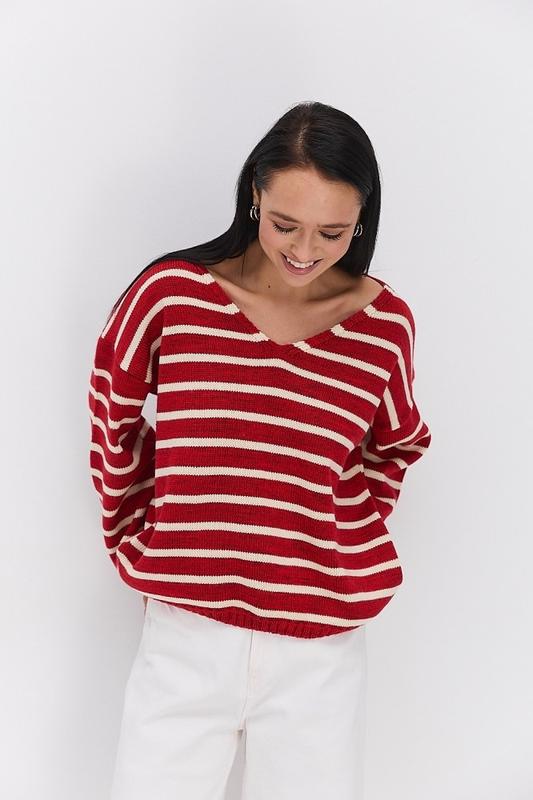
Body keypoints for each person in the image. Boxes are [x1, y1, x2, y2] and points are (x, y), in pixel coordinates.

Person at [88, 100, 432, 800]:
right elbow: (111, 414)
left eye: (332, 233)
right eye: (284, 224)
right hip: (186, 633)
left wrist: (337, 532)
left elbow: (396, 444)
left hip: (318, 650)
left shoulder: (383, 325)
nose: (304, 250)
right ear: (254, 194)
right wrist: (140, 532)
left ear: (361, 219)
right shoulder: (171, 296)